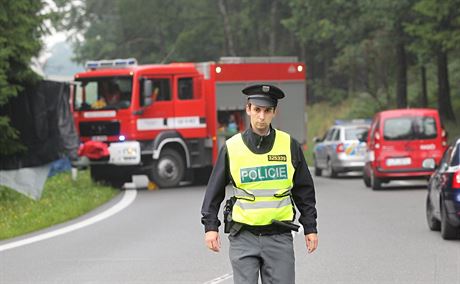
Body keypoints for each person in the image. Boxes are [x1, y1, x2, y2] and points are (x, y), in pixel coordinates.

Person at [201, 84, 318, 284]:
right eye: (256, 110)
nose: (261, 117)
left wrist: (310, 227)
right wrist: (211, 226)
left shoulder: (289, 145)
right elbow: (214, 190)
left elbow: (304, 191)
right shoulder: (232, 147)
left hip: (279, 236)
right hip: (243, 235)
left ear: (274, 112)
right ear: (248, 110)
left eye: (267, 111)